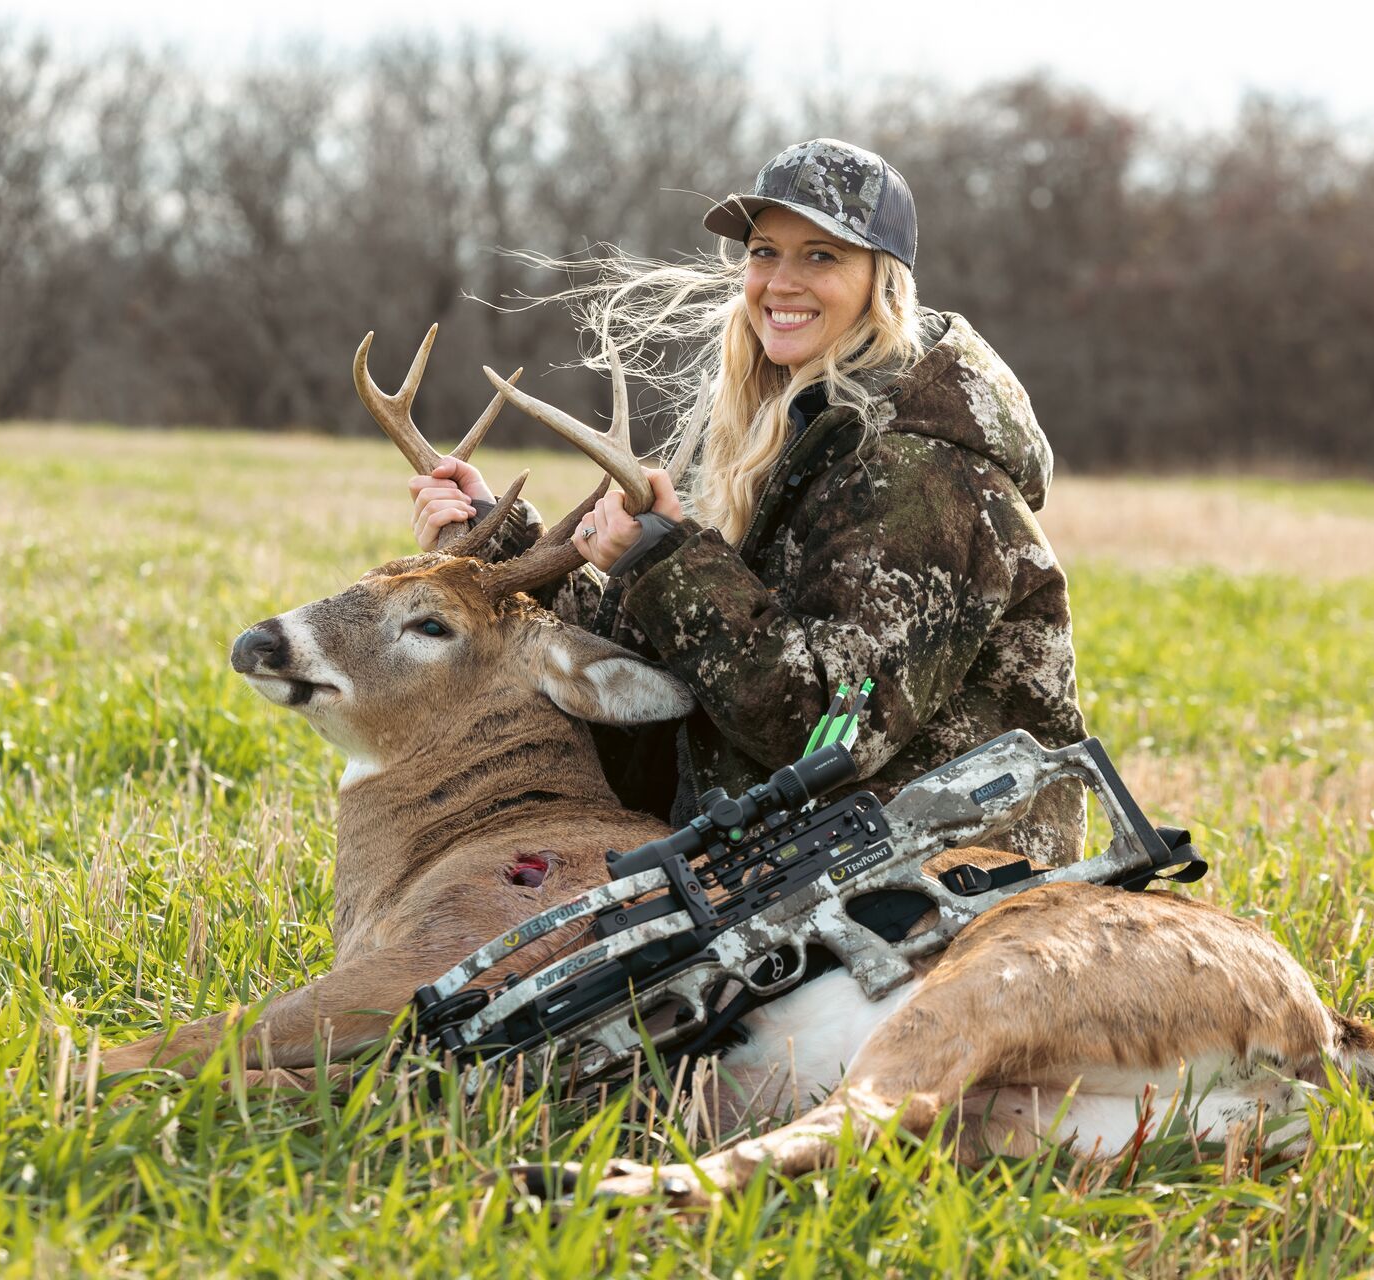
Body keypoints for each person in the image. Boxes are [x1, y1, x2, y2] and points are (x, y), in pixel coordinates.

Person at [409, 139, 1086, 864]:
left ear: (882, 282)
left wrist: (665, 565)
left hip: (952, 869)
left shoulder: (921, 469)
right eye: (765, 252)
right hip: (811, 851)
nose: (781, 282)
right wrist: (505, 541)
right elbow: (696, 675)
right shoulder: (801, 433)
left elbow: (824, 733)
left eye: (821, 256)